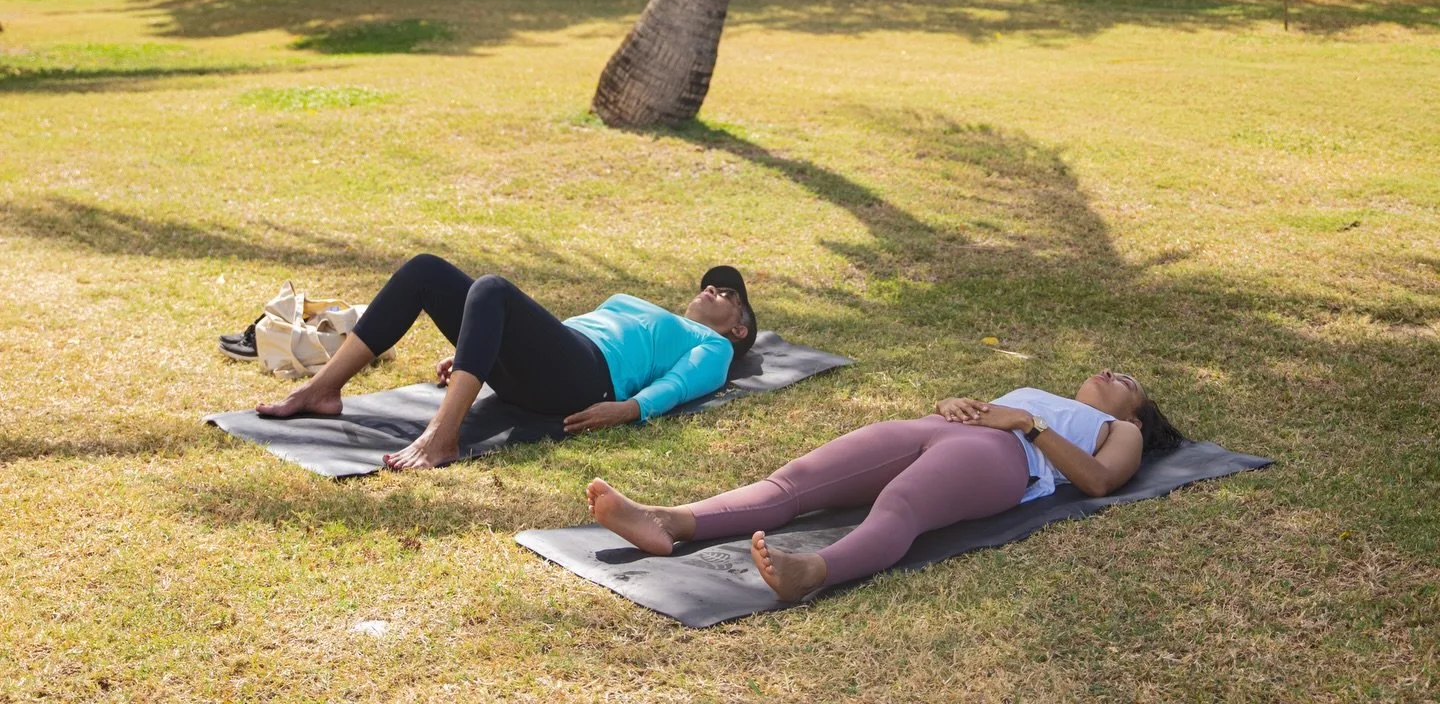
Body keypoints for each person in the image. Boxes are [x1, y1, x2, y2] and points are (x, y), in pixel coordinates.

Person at [586, 368, 1185, 601]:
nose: (1112, 373)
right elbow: (991, 410)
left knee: (901, 504)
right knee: (796, 482)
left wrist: (1028, 425)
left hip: (1004, 457)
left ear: (1136, 415)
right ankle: (670, 519)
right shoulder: (1041, 394)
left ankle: (813, 571)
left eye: (1127, 381)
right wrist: (954, 402)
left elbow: (1099, 481)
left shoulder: (1119, 431)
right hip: (936, 428)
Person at [256, 256, 758, 470]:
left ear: (738, 328)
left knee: (493, 287)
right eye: (711, 285)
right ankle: (321, 390)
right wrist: (481, 344)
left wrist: (631, 409)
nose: (713, 289)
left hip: (589, 380)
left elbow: (684, 383)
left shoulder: (713, 346)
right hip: (560, 358)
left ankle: (442, 437)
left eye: (727, 294)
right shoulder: (650, 311)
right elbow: (560, 331)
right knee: (425, 270)